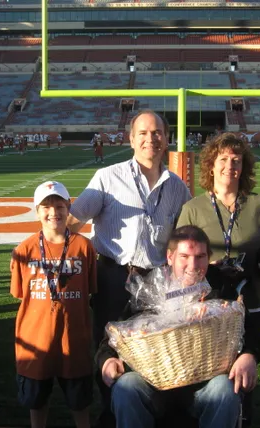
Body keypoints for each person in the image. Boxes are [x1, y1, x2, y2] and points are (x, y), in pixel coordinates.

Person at [67, 109, 191, 426]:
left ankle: (145, 410)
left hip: (156, 281)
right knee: (107, 349)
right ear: (131, 138)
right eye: (143, 133)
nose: (151, 138)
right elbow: (73, 222)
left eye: (157, 133)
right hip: (112, 275)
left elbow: (186, 238)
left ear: (166, 139)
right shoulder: (108, 178)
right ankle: (112, 411)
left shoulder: (178, 188)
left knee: (152, 349)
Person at [176, 133, 260, 423]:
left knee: (244, 371)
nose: (230, 165)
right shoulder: (193, 208)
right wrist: (204, 267)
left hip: (253, 302)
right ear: (211, 165)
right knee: (212, 371)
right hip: (209, 304)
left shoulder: (259, 204)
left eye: (237, 160)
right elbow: (178, 257)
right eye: (224, 159)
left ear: (244, 167)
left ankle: (241, 419)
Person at [97, 225, 260, 428]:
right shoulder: (151, 289)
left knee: (225, 389)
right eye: (184, 256)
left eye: (200, 256)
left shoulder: (220, 287)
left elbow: (251, 328)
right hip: (155, 385)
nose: (193, 265)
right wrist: (107, 361)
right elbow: (115, 333)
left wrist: (248, 355)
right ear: (170, 257)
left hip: (205, 385)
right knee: (126, 386)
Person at [10, 181, 97, 428]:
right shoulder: (24, 250)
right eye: (46, 207)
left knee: (80, 401)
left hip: (74, 339)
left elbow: (88, 290)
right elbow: (20, 294)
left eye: (60, 205)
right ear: (36, 211)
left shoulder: (84, 247)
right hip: (35, 340)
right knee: (36, 401)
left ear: (69, 208)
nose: (53, 213)